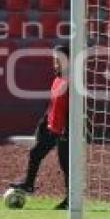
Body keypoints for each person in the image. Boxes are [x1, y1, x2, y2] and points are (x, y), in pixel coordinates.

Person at [10, 44, 70, 209]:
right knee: (36, 153)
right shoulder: (57, 79)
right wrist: (43, 123)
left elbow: (74, 109)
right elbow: (53, 105)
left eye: (58, 60)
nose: (55, 63)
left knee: (66, 165)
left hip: (65, 131)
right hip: (52, 128)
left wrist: (68, 129)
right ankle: (28, 184)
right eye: (54, 60)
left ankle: (70, 199)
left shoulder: (72, 82)